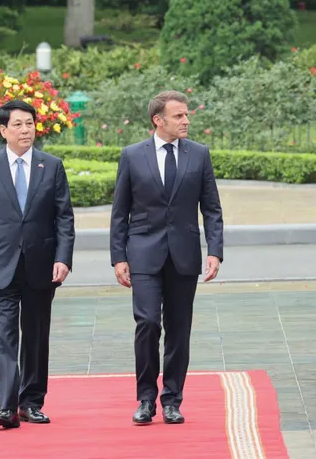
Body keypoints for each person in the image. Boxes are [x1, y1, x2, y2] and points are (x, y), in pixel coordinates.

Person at [109, 90, 224, 425]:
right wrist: (119, 256)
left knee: (178, 329)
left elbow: (212, 208)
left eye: (187, 115)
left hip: (185, 255)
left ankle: (172, 399)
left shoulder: (199, 155)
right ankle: (146, 398)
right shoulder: (132, 156)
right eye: (178, 116)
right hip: (143, 253)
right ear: (158, 120)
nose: (186, 121)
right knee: (147, 323)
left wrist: (215, 250)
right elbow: (120, 212)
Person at [0, 99, 75, 428]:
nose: (25, 130)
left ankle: (31, 402)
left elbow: (64, 219)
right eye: (18, 124)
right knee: (4, 336)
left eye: (29, 123)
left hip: (41, 266)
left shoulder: (51, 165)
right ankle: (6, 406)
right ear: (3, 131)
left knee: (36, 336)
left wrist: (63, 258)